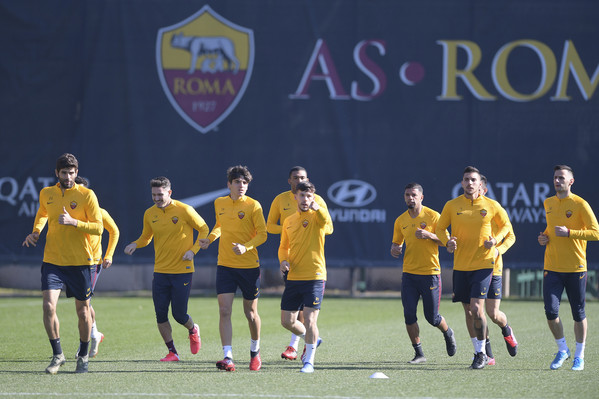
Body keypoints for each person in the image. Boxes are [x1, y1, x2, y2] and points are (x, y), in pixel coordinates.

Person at [22, 153, 103, 374]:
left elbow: (98, 227)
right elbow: (42, 213)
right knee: (48, 306)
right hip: (53, 260)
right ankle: (58, 355)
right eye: (64, 172)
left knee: (83, 311)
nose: (68, 176)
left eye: (72, 172)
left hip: (80, 262)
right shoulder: (47, 193)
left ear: (77, 173)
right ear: (57, 173)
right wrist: (36, 232)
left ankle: (83, 356)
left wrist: (74, 222)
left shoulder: (87, 195)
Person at [124, 176, 208, 362]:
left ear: (169, 193)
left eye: (160, 194)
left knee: (178, 314)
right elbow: (146, 237)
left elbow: (204, 228)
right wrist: (135, 244)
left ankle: (193, 329)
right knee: (160, 313)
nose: (156, 198)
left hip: (183, 270)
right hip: (161, 271)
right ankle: (172, 352)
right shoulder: (149, 213)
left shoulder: (184, 210)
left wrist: (193, 251)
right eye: (153, 195)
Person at [435, 166, 511, 369]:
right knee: (469, 311)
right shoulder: (452, 205)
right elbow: (440, 229)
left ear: (480, 184)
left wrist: (495, 243)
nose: (469, 183)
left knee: (478, 309)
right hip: (461, 265)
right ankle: (479, 350)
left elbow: (507, 228)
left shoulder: (491, 205)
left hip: (485, 264)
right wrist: (447, 241)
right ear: (462, 183)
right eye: (466, 179)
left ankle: (481, 354)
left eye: (473, 180)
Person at [198, 165, 267, 371]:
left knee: (251, 313)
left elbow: (262, 234)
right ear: (229, 184)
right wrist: (210, 239)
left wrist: (245, 247)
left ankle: (255, 352)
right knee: (224, 310)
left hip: (248, 267)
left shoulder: (254, 206)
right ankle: (228, 357)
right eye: (237, 182)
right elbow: (219, 225)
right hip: (225, 265)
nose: (241, 186)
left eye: (245, 183)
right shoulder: (220, 202)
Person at [266, 166, 332, 360]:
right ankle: (309, 339)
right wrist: (284, 260)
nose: (305, 198)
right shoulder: (287, 216)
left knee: (309, 317)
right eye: (295, 178)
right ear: (293, 192)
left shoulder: (317, 206)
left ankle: (307, 357)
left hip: (315, 274)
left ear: (313, 196)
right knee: (288, 320)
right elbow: (280, 242)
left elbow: (328, 226)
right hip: (293, 272)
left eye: (302, 178)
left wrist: (316, 212)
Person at [538, 165, 599, 371]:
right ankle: (563, 349)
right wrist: (543, 237)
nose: (557, 181)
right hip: (552, 267)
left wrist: (570, 233)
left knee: (578, 313)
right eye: (555, 177)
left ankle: (579, 356)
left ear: (570, 181)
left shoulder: (580, 204)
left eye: (561, 178)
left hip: (575, 268)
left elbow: (595, 232)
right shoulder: (548, 203)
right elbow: (550, 229)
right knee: (550, 311)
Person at [390, 183, 457, 364]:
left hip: (430, 273)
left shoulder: (434, 216)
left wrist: (430, 235)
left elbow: (446, 242)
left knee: (432, 317)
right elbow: (397, 244)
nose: (410, 198)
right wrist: (395, 249)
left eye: (413, 195)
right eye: (407, 195)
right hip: (409, 275)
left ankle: (447, 332)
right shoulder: (400, 221)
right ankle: (419, 353)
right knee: (409, 315)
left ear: (421, 197)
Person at [463, 175, 518, 365]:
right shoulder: (467, 212)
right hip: (472, 267)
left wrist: (498, 249)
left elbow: (510, 236)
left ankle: (506, 330)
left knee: (493, 314)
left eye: (481, 188)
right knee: (473, 311)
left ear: (483, 190)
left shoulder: (494, 210)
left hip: (493, 269)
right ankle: (487, 353)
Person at [74, 176, 119, 358]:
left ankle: (89, 338)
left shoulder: (99, 212)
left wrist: (108, 255)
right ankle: (95, 334)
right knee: (82, 302)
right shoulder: (69, 213)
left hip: (93, 262)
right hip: (71, 262)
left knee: (84, 303)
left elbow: (114, 231)